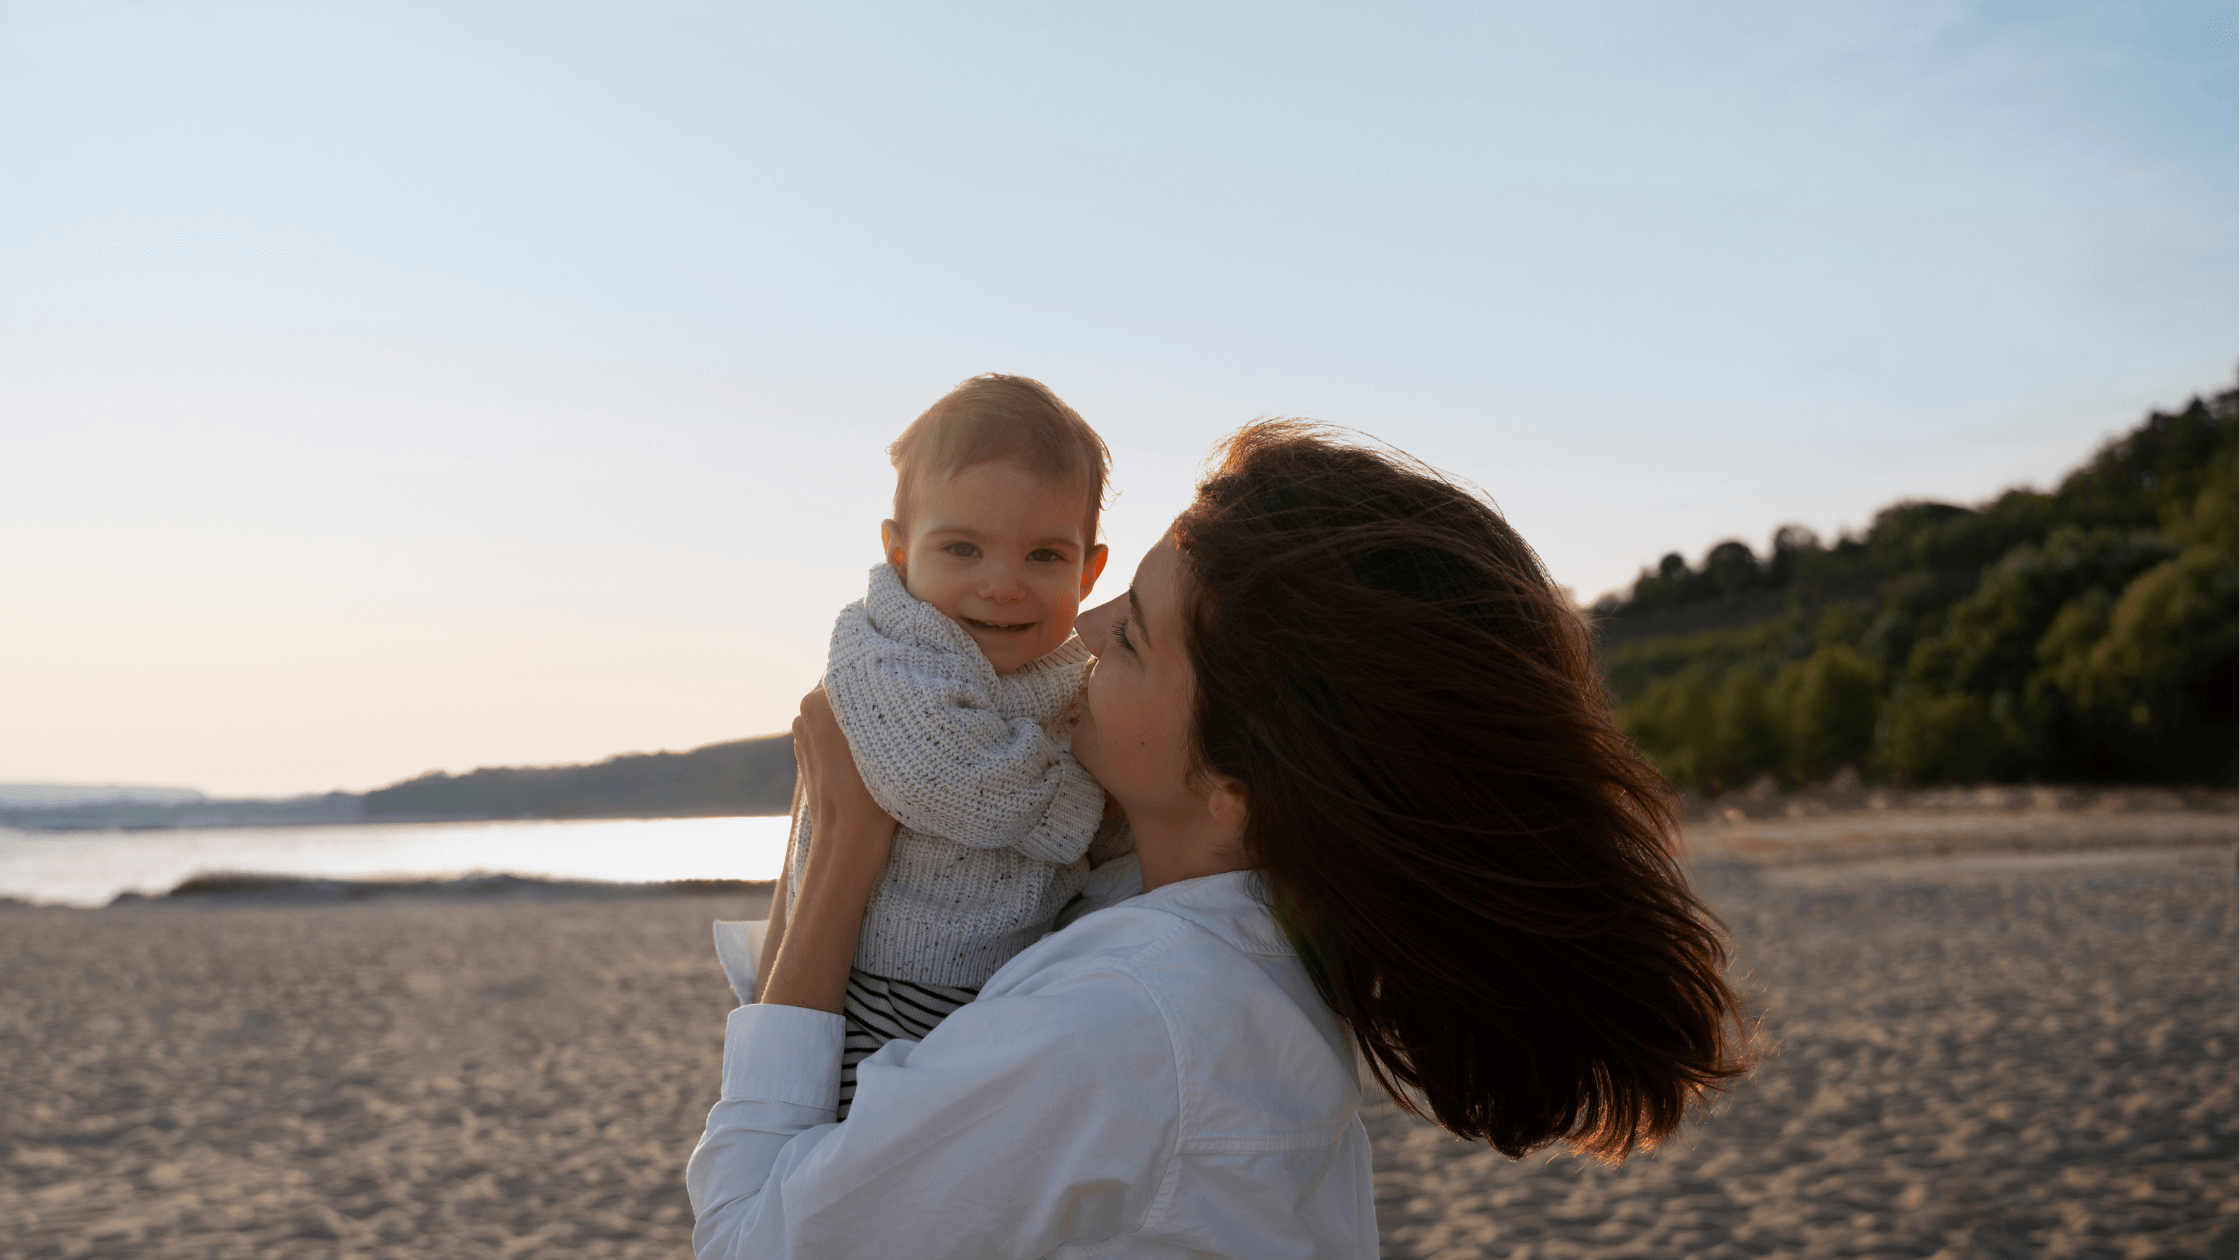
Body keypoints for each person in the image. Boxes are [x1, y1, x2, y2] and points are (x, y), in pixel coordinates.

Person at [689, 421, 1751, 1258]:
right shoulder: (1220, 943)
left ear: (1238, 786)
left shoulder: (1125, 1023)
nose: (1088, 629)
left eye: (1138, 635)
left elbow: (752, 1241)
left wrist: (839, 842)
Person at [752, 373, 1124, 1118]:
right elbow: (943, 777)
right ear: (898, 554)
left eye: (1045, 557)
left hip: (995, 983)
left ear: (1089, 571)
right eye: (963, 549)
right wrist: (1080, 805)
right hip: (884, 985)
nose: (1004, 585)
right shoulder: (893, 651)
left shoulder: (1064, 668)